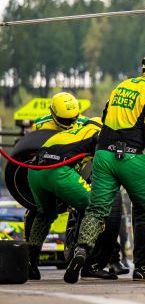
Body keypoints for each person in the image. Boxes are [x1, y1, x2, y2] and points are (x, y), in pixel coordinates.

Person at [64, 48, 145, 283]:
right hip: (131, 158)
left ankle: (82, 250)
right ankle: (142, 268)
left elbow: (105, 117)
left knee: (97, 210)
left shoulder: (120, 87)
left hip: (103, 156)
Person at [26, 117, 108, 280]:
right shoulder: (100, 134)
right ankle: (82, 254)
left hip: (34, 171)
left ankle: (30, 263)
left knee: (45, 215)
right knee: (95, 207)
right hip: (59, 172)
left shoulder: (74, 129)